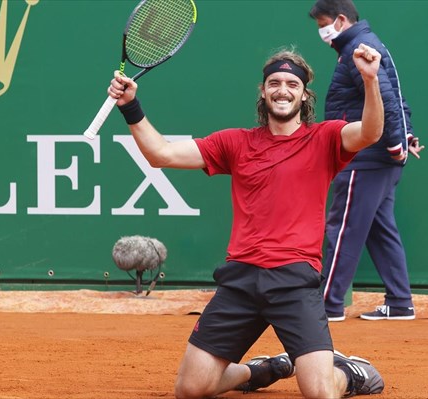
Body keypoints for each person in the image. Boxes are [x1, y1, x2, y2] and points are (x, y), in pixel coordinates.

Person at [106, 45, 385, 398]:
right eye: (274, 82)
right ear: (263, 90)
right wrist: (130, 106)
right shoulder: (235, 143)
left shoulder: (326, 138)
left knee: (320, 393)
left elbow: (372, 132)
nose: (282, 90)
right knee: (190, 389)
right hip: (240, 282)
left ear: (303, 94)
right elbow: (160, 154)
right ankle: (262, 370)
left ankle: (351, 373)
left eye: (291, 84)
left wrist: (370, 80)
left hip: (293, 282)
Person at [309, 0, 425, 322]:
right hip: (379, 156)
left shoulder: (357, 50)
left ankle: (328, 305)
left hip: (366, 157)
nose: (321, 31)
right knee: (379, 228)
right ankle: (400, 302)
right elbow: (394, 96)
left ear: (341, 19)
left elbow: (387, 98)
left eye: (323, 23)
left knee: (343, 229)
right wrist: (405, 137)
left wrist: (395, 145)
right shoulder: (367, 44)